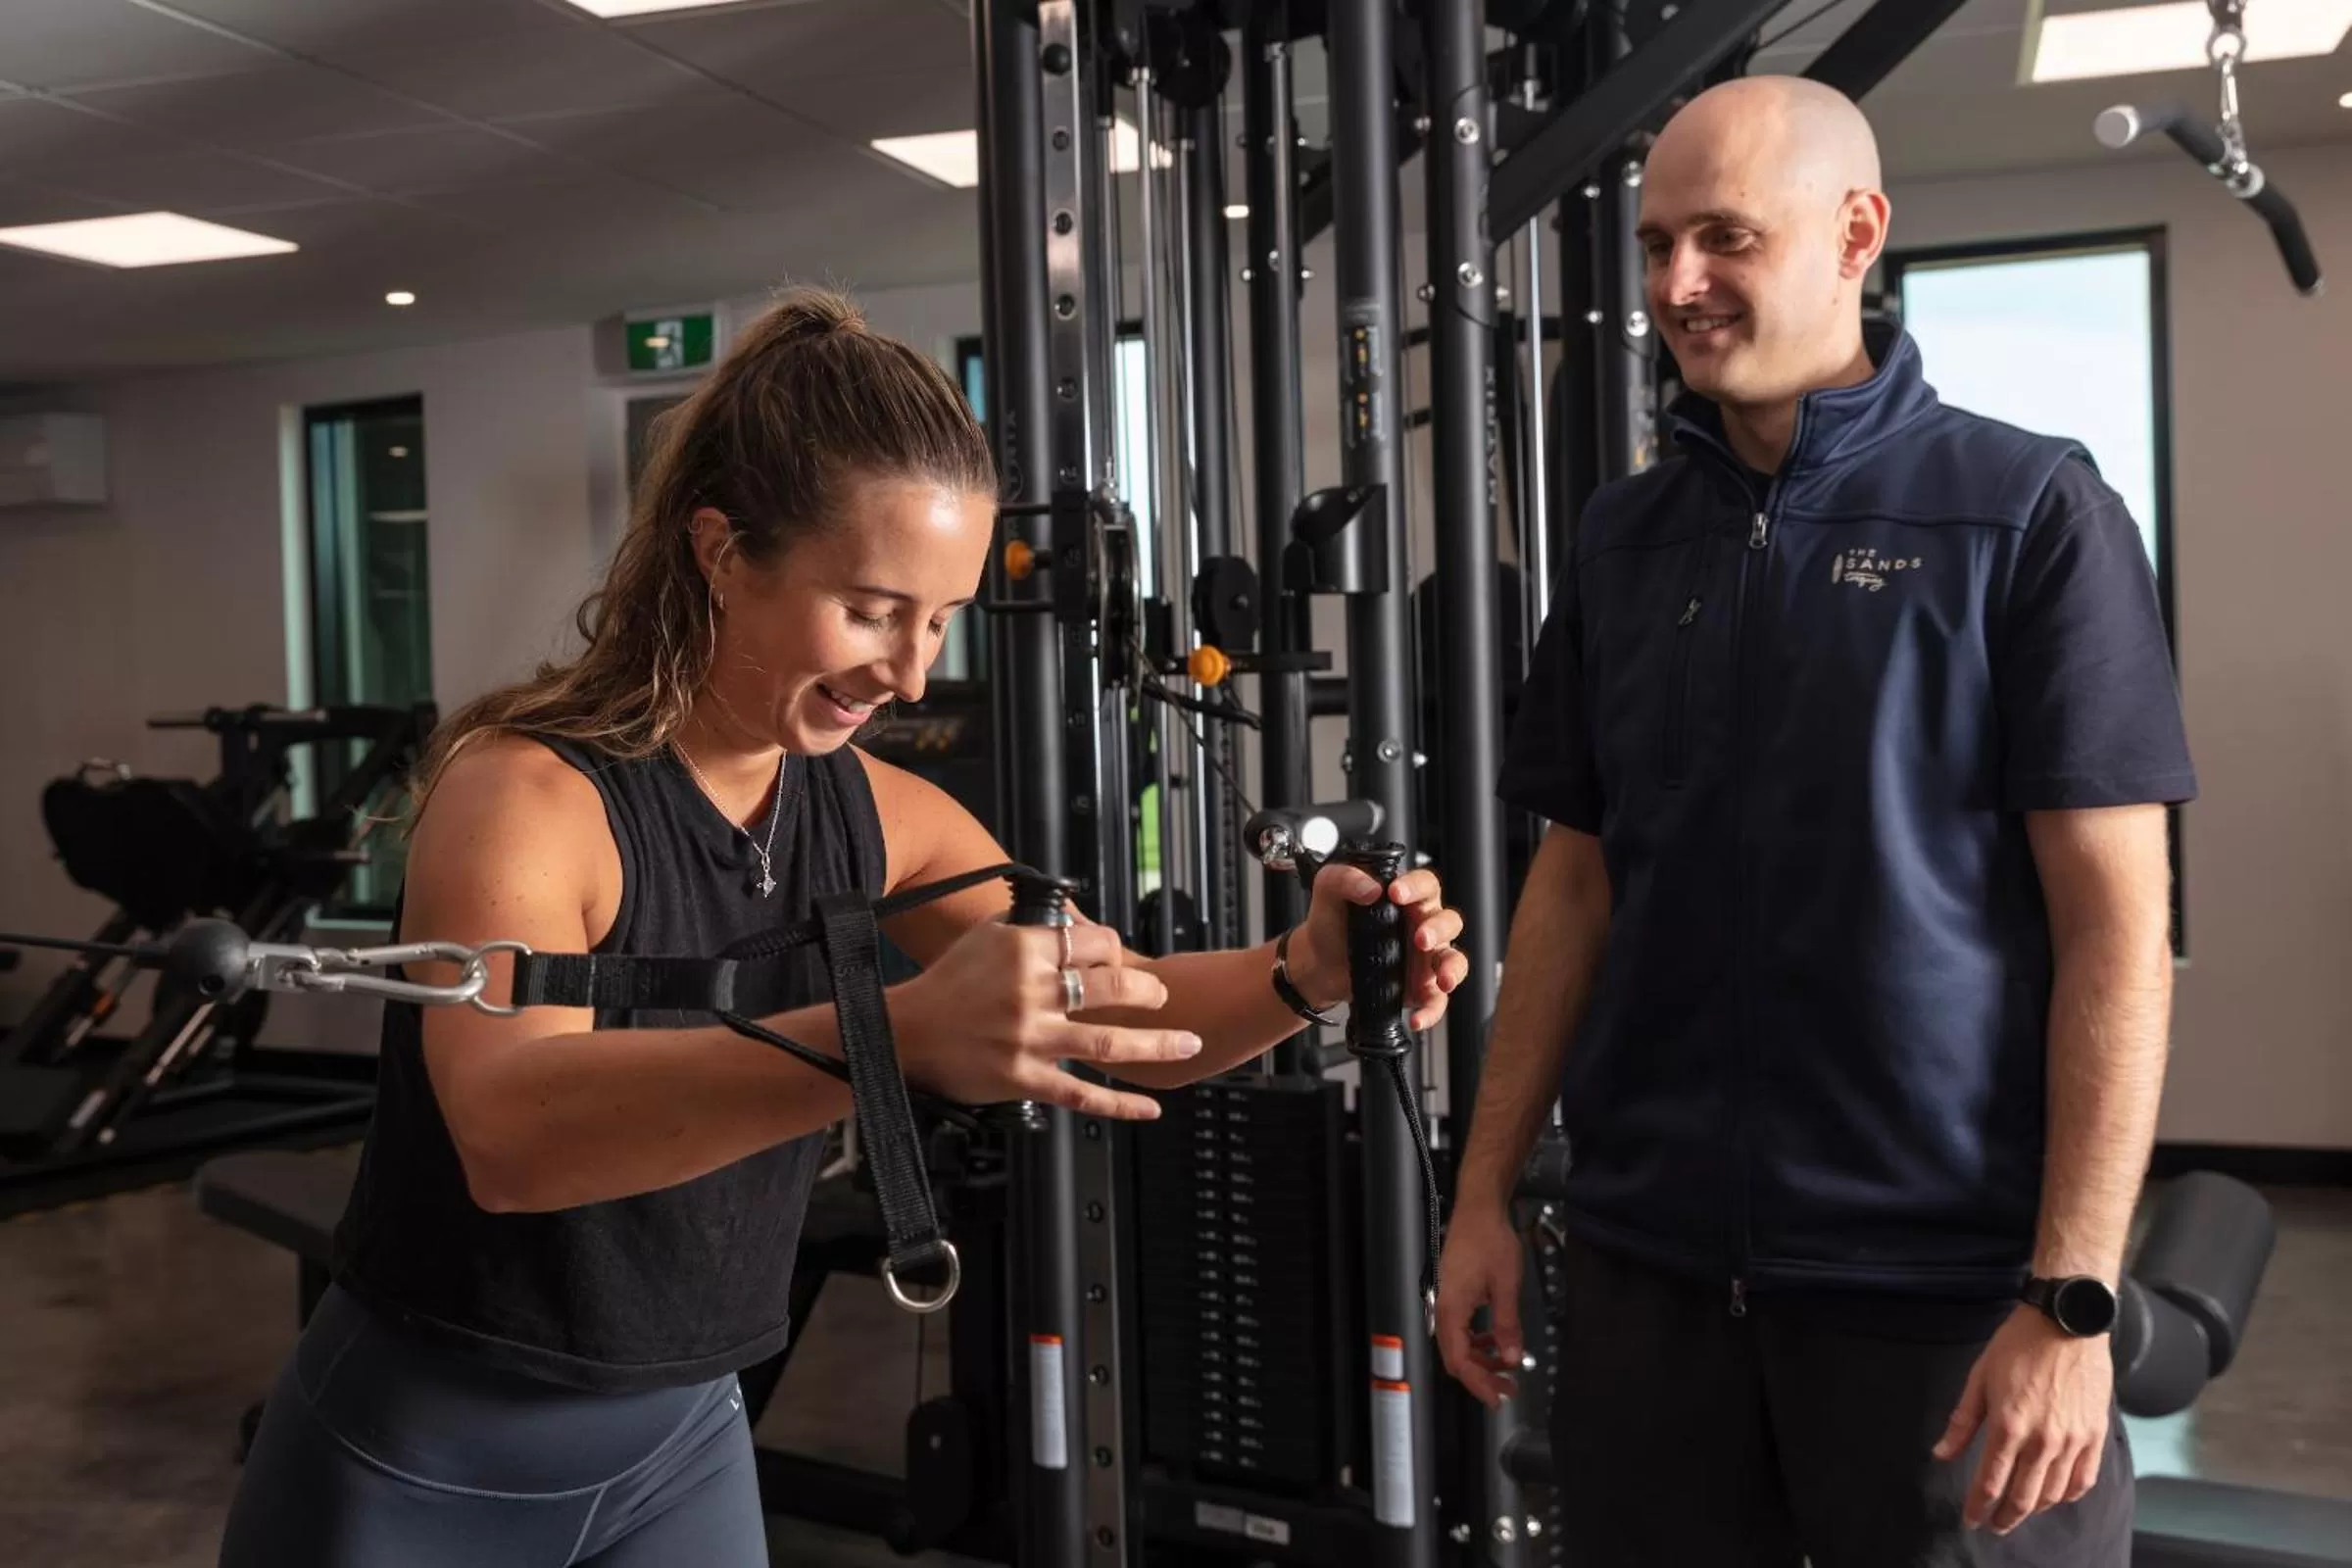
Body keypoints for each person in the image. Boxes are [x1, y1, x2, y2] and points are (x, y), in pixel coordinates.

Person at [218, 288, 1470, 1567]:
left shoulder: (876, 809)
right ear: (720, 551)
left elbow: (1100, 1009)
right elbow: (510, 1136)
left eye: (940, 621)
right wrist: (895, 1035)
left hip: (683, 1445)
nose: (914, 672)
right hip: (424, 1453)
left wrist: (1300, 970)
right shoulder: (530, 796)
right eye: (872, 610)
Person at [1435, 74, 2194, 1567]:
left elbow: (2120, 934)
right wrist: (1483, 1195)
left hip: (1942, 1304)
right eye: (1657, 246)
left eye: (1724, 238)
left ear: (1857, 234)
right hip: (1652, 1289)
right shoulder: (1623, 538)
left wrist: (2071, 1298)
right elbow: (1572, 887)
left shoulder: (2029, 514)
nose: (1677, 286)